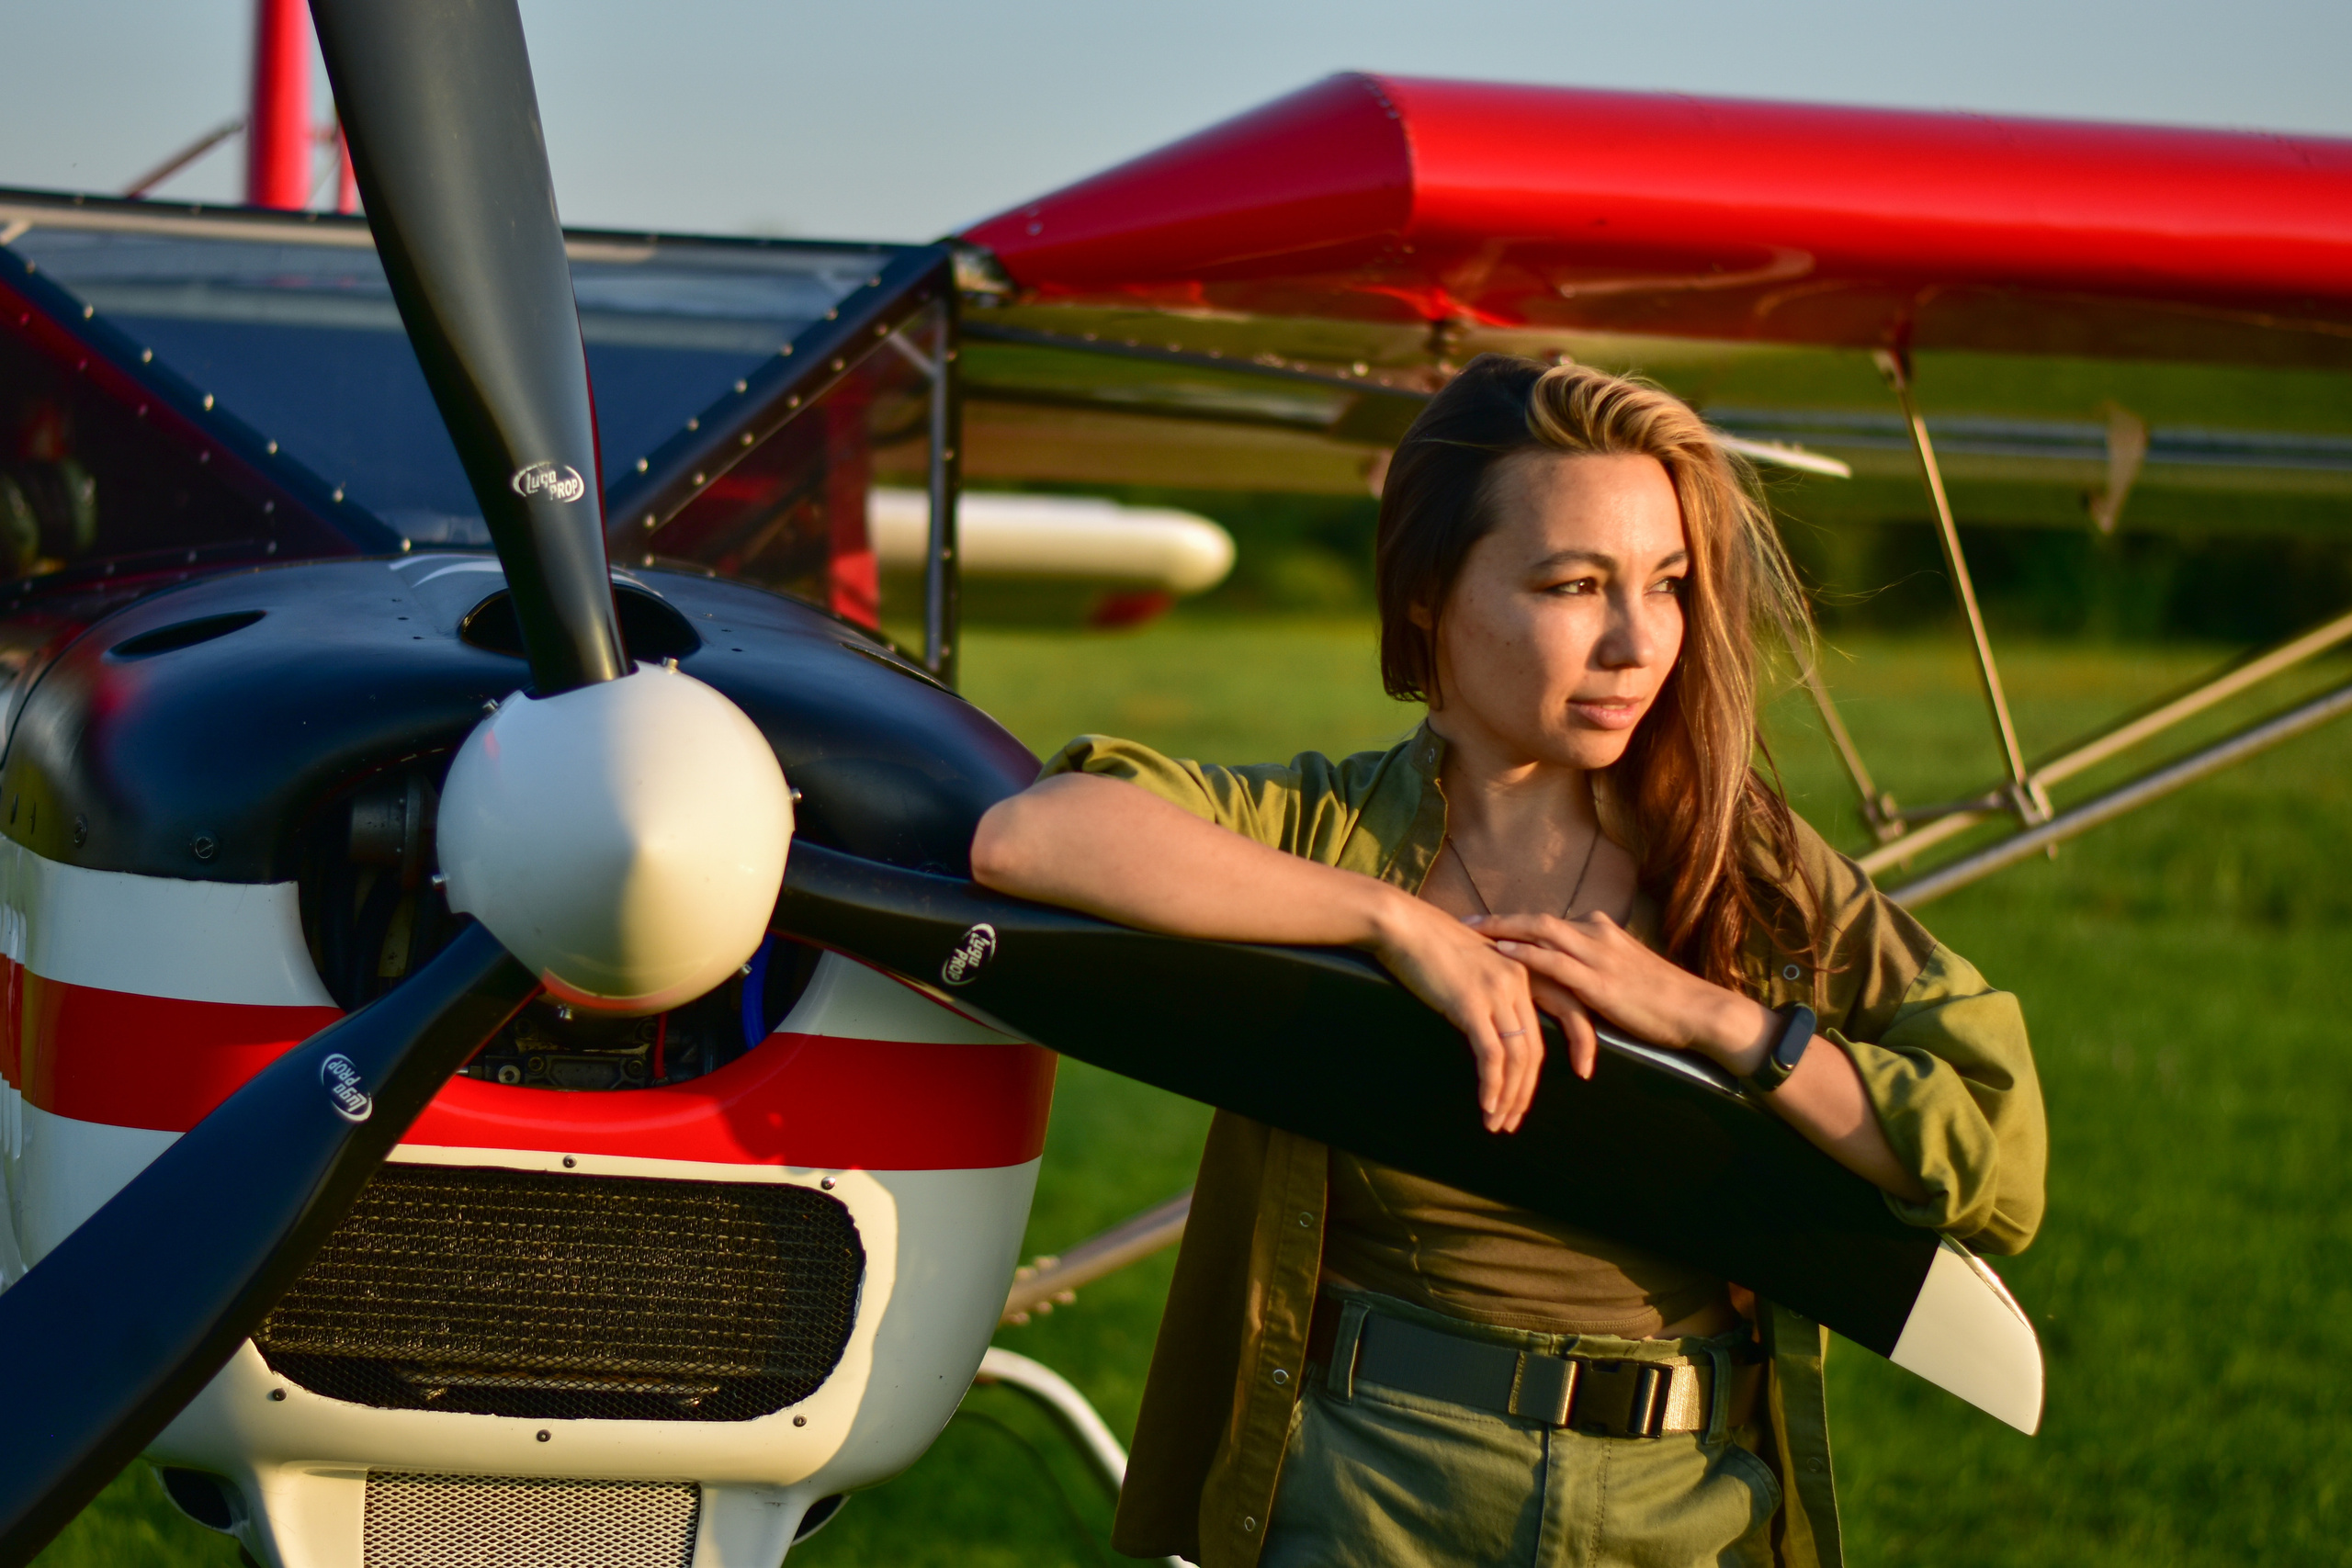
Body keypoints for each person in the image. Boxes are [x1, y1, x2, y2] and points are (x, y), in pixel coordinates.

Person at [969, 355, 2046, 1568]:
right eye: (1574, 585)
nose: (1638, 642)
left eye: (1668, 584)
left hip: (1684, 1508)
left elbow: (1997, 1161)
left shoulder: (1749, 869)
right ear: (1432, 591)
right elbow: (1035, 836)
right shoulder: (1332, 832)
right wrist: (1394, 926)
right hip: (1367, 1492)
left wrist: (1717, 1022)